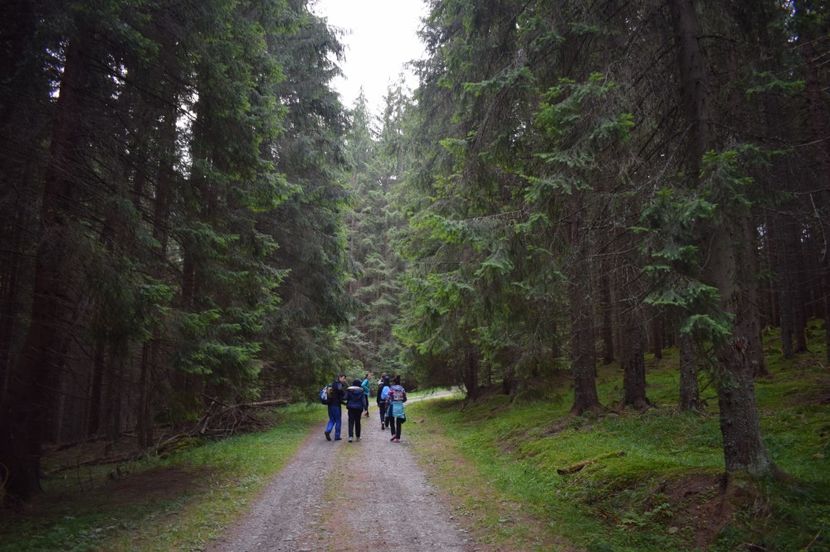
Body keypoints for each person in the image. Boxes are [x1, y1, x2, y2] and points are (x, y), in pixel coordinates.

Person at [324, 374, 347, 441]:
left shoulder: (332, 384)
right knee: (338, 420)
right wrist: (344, 402)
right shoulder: (339, 385)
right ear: (339, 377)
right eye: (343, 378)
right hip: (336, 406)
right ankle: (337, 436)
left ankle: (328, 430)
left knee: (331, 419)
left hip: (330, 405)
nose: (344, 380)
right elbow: (340, 395)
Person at [386, 375, 407, 443]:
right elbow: (405, 399)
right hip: (399, 406)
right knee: (398, 422)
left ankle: (393, 434)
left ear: (394, 382)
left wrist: (388, 403)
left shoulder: (391, 388)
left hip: (392, 405)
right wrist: (400, 401)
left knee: (391, 420)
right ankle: (397, 438)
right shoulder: (402, 388)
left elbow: (388, 397)